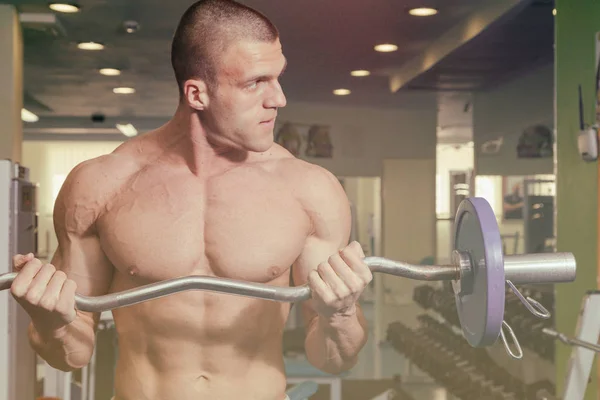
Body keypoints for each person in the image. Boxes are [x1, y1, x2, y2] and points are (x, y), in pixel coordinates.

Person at [10, 1, 372, 399]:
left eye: (278, 77)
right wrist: (52, 322)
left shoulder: (309, 190)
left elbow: (334, 359)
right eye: (256, 82)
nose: (279, 99)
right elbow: (71, 355)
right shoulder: (101, 185)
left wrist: (340, 314)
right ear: (197, 93)